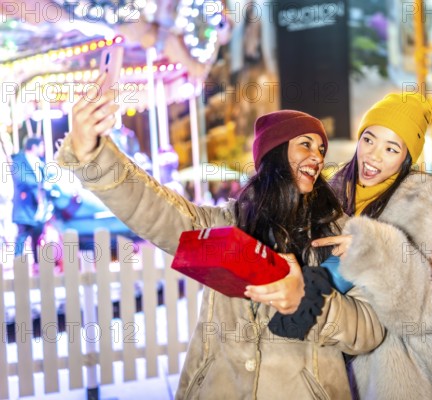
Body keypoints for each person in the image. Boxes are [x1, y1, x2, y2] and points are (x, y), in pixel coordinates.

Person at [56, 75, 385, 400]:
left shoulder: (339, 234)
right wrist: (94, 155)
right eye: (306, 144)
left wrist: (311, 303)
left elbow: (370, 330)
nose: (318, 156)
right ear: (274, 154)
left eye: (321, 149)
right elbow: (152, 207)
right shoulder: (225, 226)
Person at [312, 93, 432, 399]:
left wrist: (376, 252)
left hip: (400, 370)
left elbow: (423, 312)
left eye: (391, 148)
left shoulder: (420, 207)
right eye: (369, 139)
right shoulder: (326, 198)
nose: (374, 155)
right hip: (332, 361)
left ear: (406, 159)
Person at [12, 136, 52, 268]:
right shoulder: (19, 161)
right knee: (22, 236)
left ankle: (37, 263)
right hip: (25, 205)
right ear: (34, 147)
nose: (43, 149)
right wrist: (39, 185)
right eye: (41, 145)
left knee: (38, 236)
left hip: (39, 206)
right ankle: (18, 263)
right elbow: (22, 180)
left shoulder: (40, 162)